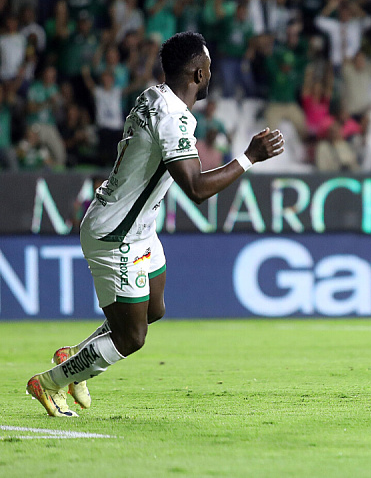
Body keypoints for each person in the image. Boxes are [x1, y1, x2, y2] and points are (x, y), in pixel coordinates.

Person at [26, 31, 285, 417]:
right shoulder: (173, 118)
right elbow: (196, 188)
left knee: (155, 308)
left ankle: (77, 357)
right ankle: (50, 382)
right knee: (132, 336)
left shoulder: (153, 97)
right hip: (116, 235)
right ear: (197, 74)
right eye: (209, 68)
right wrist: (248, 157)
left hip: (138, 229)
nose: (211, 74)